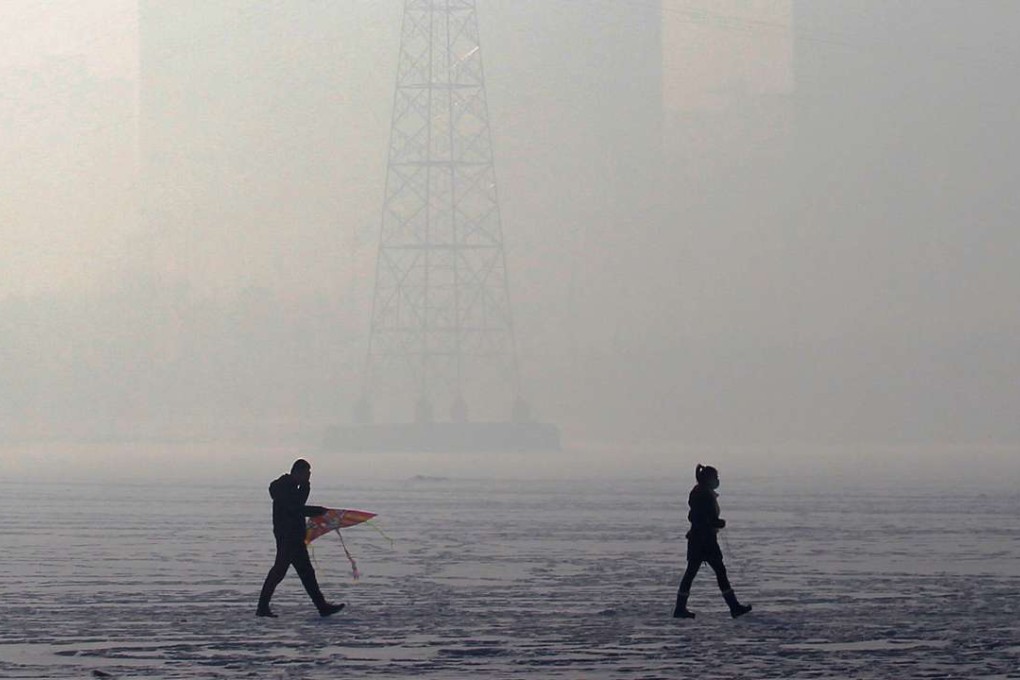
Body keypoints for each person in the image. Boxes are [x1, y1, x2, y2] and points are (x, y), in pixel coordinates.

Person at [256, 459, 345, 618]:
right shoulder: (283, 488)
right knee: (279, 571)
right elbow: (296, 508)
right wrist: (318, 510)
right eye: (306, 473)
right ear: (297, 472)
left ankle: (322, 607)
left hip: (295, 536)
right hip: (287, 537)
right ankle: (262, 608)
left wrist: (306, 487)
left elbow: (299, 504)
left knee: (306, 573)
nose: (308, 476)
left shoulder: (292, 487)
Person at [673, 464, 752, 619]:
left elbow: (695, 516)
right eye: (715, 477)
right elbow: (700, 517)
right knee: (716, 572)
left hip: (699, 539)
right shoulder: (703, 495)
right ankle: (733, 607)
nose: (717, 480)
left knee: (694, 573)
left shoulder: (701, 493)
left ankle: (680, 608)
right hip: (705, 541)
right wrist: (717, 523)